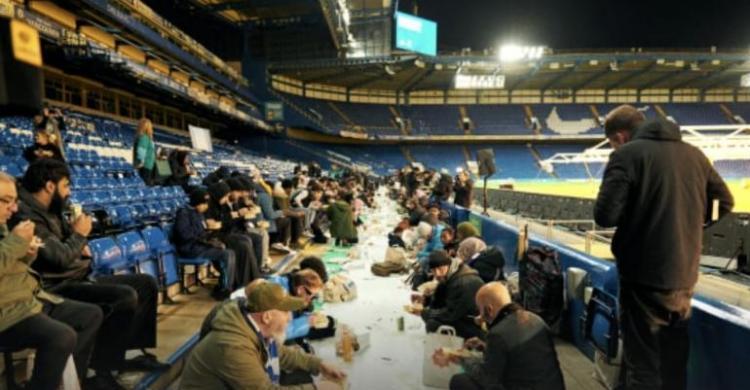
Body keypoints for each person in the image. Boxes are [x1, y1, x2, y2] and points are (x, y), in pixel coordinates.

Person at [594, 105, 734, 390]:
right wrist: (692, 224)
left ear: (620, 136)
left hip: (641, 277)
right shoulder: (695, 155)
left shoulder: (625, 155)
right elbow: (725, 202)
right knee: (673, 365)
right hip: (683, 277)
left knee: (642, 366)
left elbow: (605, 215)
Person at [10, 159, 165, 389]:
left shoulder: (52, 210)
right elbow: (60, 258)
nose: (69, 193)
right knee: (124, 296)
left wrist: (76, 241)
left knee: (146, 284)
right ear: (50, 187)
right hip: (55, 286)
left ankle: (124, 357)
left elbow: (68, 249)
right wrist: (79, 236)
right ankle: (102, 370)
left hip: (76, 276)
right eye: (66, 186)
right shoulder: (26, 215)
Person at [0, 172, 102, 389]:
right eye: (5, 201)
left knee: (90, 315)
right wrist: (16, 244)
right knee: (60, 337)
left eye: (14, 201)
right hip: (7, 312)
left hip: (29, 299)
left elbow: (12, 268)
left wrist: (27, 253)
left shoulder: (4, 225)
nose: (14, 208)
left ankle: (70, 381)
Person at [180, 281, 346, 390]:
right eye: (285, 312)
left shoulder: (252, 326)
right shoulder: (232, 347)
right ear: (266, 316)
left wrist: (319, 364)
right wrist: (316, 388)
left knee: (300, 373)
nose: (289, 318)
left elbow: (280, 353)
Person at [433, 282, 565, 390]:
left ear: (489, 310)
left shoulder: (498, 333)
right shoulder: (536, 320)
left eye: (480, 310)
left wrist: (461, 357)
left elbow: (487, 379)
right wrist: (486, 347)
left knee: (459, 381)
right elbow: (521, 356)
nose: (480, 317)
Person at [173, 187, 237, 299]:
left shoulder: (198, 213)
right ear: (197, 202)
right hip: (190, 248)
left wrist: (211, 238)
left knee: (229, 251)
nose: (206, 207)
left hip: (200, 246)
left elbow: (202, 231)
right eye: (204, 203)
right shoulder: (183, 213)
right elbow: (184, 235)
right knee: (225, 255)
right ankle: (224, 289)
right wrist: (205, 240)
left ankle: (227, 285)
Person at [409, 250, 484, 339]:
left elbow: (450, 314)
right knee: (433, 316)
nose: (437, 274)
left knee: (433, 324)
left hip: (475, 327)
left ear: (448, 265)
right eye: (433, 270)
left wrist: (424, 312)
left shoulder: (463, 282)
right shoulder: (451, 275)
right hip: (462, 318)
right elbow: (441, 300)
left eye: (440, 269)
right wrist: (425, 300)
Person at [133, 118, 156, 186]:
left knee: (146, 184)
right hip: (147, 165)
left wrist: (141, 161)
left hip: (146, 165)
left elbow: (142, 150)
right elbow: (143, 150)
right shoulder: (147, 138)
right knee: (147, 184)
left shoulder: (145, 137)